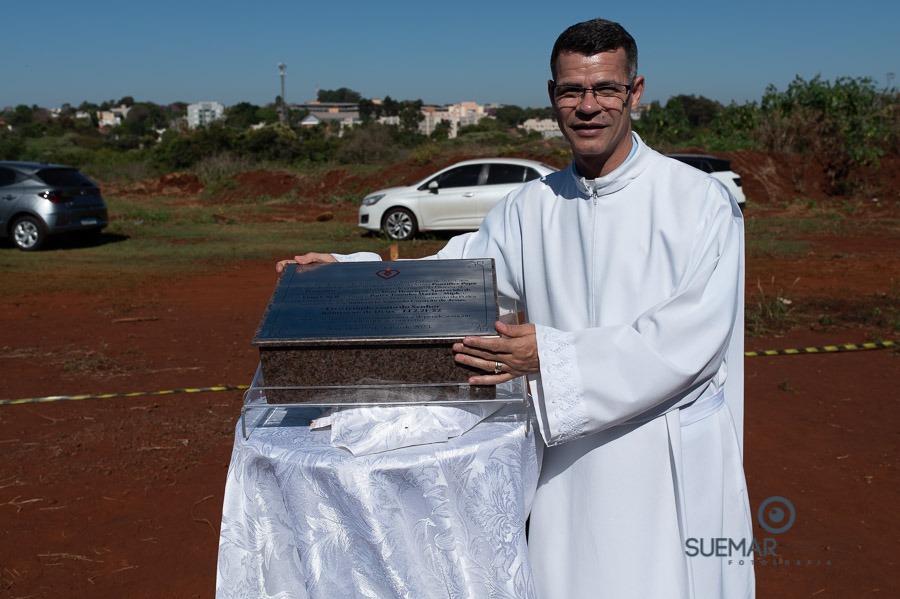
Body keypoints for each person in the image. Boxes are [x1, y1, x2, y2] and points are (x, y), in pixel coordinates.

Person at [278, 18, 754, 599]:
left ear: (636, 92)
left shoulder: (700, 202)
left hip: (666, 452)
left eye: (606, 88)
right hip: (570, 455)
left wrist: (550, 357)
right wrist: (348, 272)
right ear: (552, 96)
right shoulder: (530, 206)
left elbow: (689, 340)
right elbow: (452, 277)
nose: (588, 106)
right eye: (571, 91)